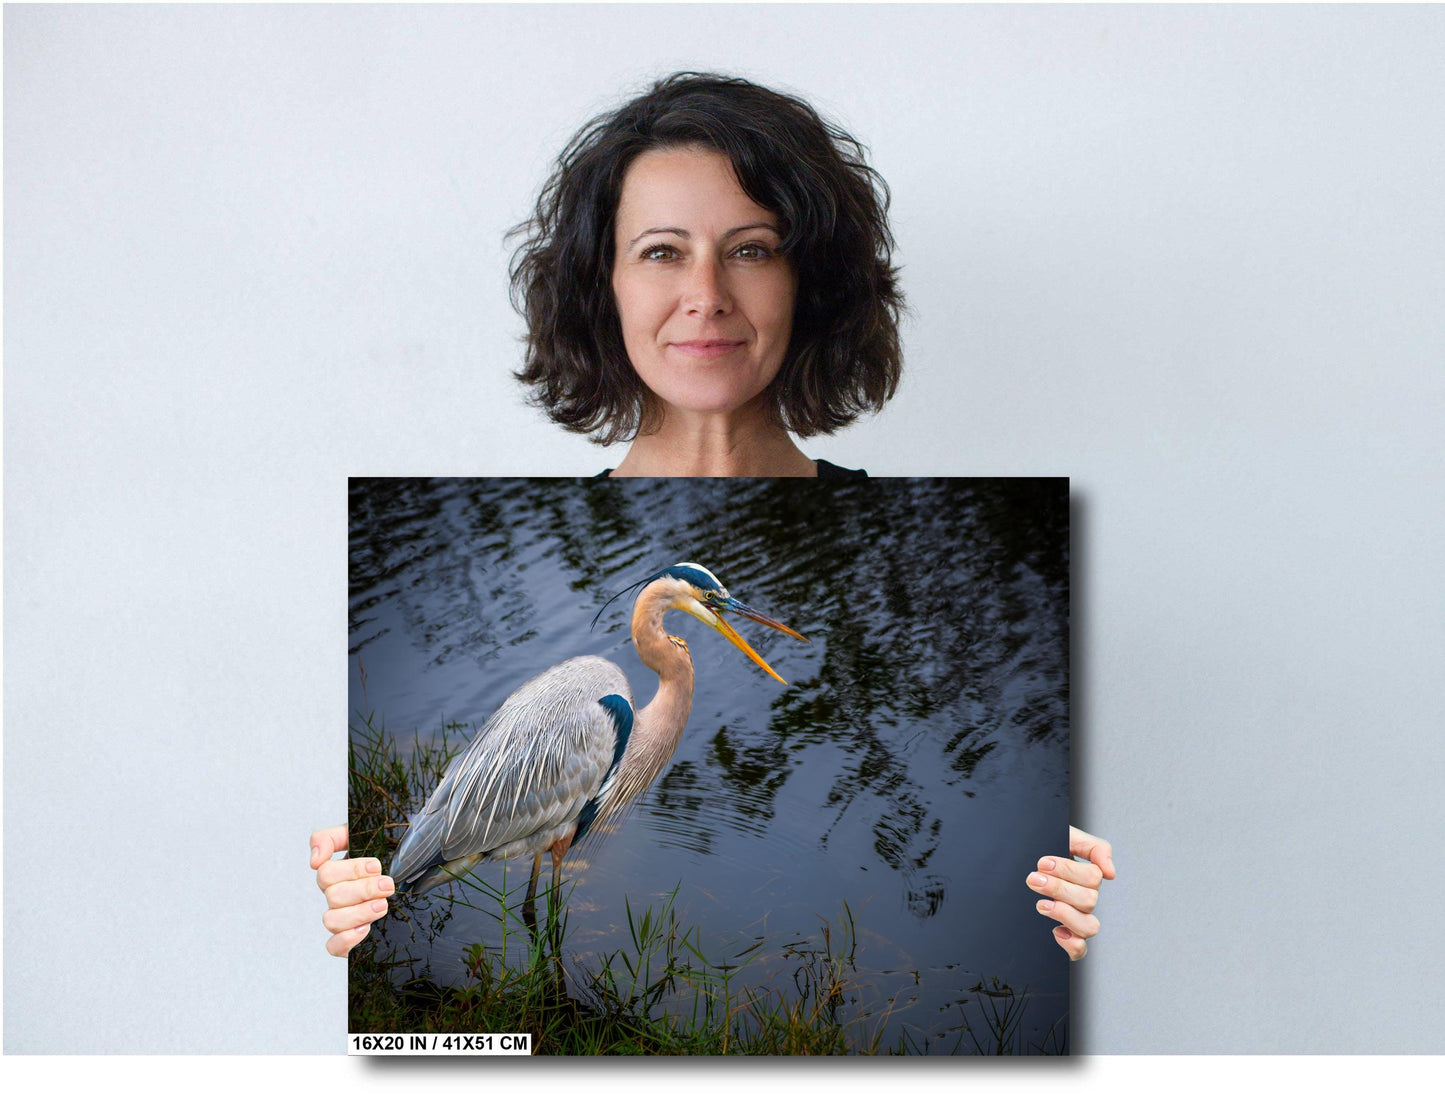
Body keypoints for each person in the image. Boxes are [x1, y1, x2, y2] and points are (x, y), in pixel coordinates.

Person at [314, 72, 1114, 962]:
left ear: (810, 283)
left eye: (752, 249)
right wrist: (349, 914)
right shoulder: (596, 690)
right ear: (601, 285)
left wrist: (1066, 917)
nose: (707, 295)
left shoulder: (910, 535)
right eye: (661, 251)